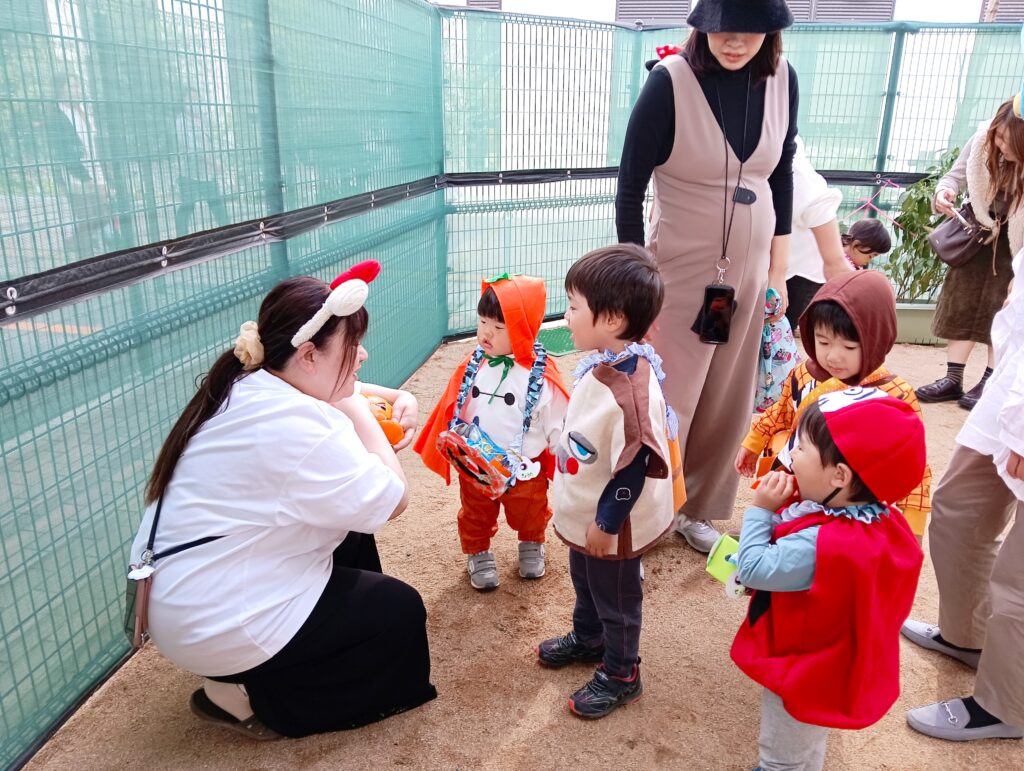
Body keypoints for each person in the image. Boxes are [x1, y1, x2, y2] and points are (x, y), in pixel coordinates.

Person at [128, 261, 437, 740]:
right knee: (397, 614)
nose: (363, 356)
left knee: (352, 537)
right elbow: (393, 498)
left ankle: (253, 665)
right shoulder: (297, 428)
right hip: (215, 618)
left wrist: (389, 396)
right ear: (310, 355)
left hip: (189, 596)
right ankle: (248, 695)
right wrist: (361, 413)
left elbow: (341, 396)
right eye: (352, 347)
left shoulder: (250, 383)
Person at [616, 0, 799, 553]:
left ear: (771, 29)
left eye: (749, 29)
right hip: (676, 272)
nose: (735, 40)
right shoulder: (670, 82)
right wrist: (634, 286)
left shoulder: (784, 80)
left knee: (726, 394)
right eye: (722, 28)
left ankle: (698, 506)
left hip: (748, 273)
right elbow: (629, 187)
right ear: (701, 25)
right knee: (664, 393)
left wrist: (779, 269)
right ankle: (642, 512)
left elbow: (783, 172)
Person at [731, 390, 926, 771]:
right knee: (805, 742)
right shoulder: (879, 517)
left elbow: (752, 567)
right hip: (837, 660)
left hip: (804, 667)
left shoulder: (820, 543)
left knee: (785, 748)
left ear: (840, 475)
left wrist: (761, 511)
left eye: (799, 446)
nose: (791, 453)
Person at [535, 244, 678, 719]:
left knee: (616, 595)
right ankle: (589, 636)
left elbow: (635, 462)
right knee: (585, 577)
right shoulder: (605, 362)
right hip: (587, 509)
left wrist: (608, 523)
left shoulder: (631, 386)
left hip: (613, 520)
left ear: (613, 319)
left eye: (575, 307)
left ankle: (622, 672)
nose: (568, 315)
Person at [901, 244, 1024, 743]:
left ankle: (1007, 704)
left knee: (1018, 582)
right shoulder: (1005, 177)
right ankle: (967, 637)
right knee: (957, 513)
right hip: (1013, 382)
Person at [734, 270, 932, 538]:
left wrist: (912, 529)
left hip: (854, 509)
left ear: (878, 339)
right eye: (823, 342)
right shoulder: (804, 374)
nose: (833, 357)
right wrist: (753, 444)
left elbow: (914, 467)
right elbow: (780, 414)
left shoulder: (893, 394)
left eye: (849, 347)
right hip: (798, 490)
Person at [415, 274, 569, 590]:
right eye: (483, 321)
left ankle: (531, 541)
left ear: (524, 330)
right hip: (476, 462)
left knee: (530, 510)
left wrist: (562, 452)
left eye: (499, 327)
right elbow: (453, 406)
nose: (486, 332)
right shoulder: (473, 364)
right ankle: (478, 550)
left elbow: (558, 422)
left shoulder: (541, 377)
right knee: (475, 512)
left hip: (524, 467)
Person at [915, 97, 1024, 411]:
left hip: (1014, 242)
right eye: (998, 135)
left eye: (1007, 139)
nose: (999, 142)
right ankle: (953, 378)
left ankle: (990, 379)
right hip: (977, 231)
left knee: (1002, 310)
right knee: (959, 303)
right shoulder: (982, 140)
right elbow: (954, 177)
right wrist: (944, 192)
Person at [784, 135, 851, 330]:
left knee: (774, 342)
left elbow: (817, 203)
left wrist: (835, 263)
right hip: (779, 263)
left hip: (798, 270)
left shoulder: (784, 150)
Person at [175, 93, 230, 237]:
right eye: (190, 99)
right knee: (187, 207)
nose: (194, 103)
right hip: (190, 174)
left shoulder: (203, 120)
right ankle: (182, 240)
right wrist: (214, 162)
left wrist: (217, 160)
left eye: (196, 99)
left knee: (217, 205)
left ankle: (228, 234)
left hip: (207, 173)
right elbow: (194, 148)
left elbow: (210, 144)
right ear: (183, 102)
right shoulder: (182, 122)